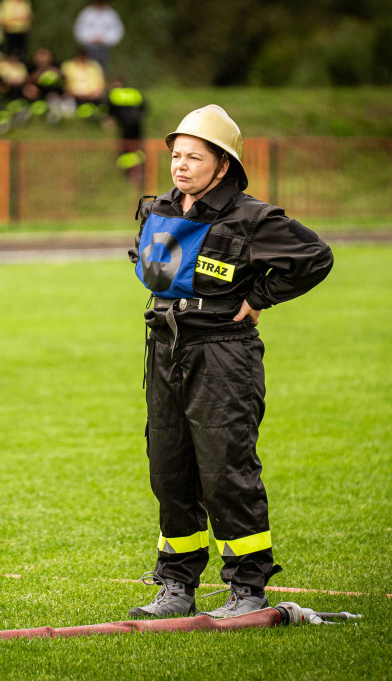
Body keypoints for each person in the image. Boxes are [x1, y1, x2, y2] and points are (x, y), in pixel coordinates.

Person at [126, 105, 333, 619]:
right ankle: (176, 586)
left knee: (225, 470)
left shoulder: (253, 217)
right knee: (169, 469)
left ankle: (248, 590)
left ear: (223, 165)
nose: (180, 165)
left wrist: (260, 297)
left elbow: (315, 257)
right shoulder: (159, 210)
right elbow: (144, 259)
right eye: (176, 155)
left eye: (194, 156)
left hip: (222, 352)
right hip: (165, 347)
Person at [105, 76, 146, 187]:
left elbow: (108, 109)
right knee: (138, 149)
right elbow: (144, 107)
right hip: (137, 126)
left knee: (125, 151)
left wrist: (109, 119)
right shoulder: (135, 92)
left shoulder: (114, 94)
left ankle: (129, 174)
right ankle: (140, 173)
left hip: (125, 128)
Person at [73, 1, 124, 72]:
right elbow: (79, 29)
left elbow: (117, 31)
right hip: (88, 48)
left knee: (101, 71)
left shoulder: (111, 14)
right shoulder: (87, 13)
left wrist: (104, 39)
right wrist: (91, 38)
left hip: (103, 48)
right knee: (86, 69)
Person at [60, 49, 106, 120]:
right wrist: (71, 92)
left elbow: (100, 84)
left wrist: (93, 94)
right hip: (72, 95)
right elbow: (63, 83)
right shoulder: (68, 66)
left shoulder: (94, 66)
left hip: (91, 96)